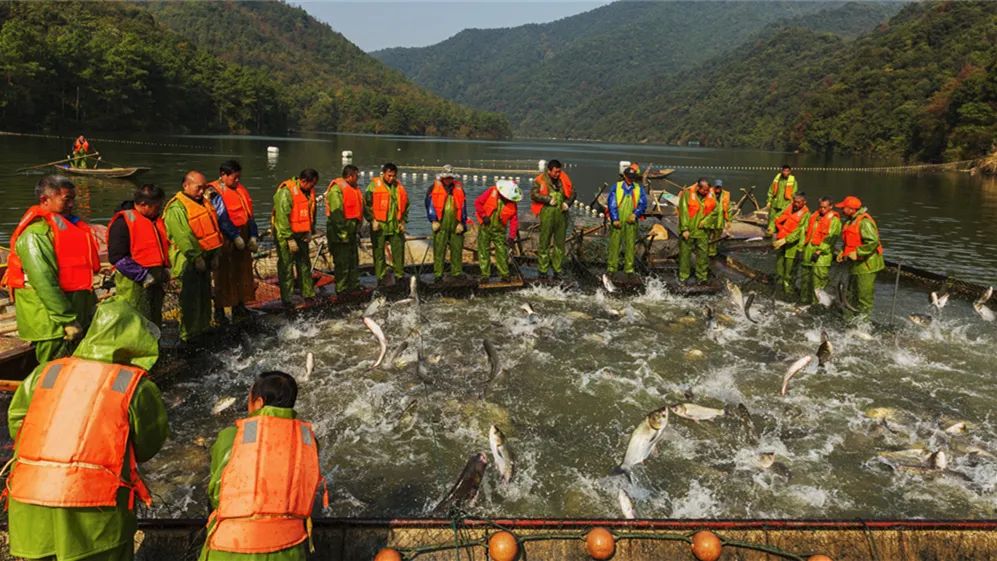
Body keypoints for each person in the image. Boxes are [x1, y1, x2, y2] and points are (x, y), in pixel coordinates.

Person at [5, 300, 169, 561]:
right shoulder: (133, 384)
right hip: (93, 508)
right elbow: (148, 443)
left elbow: (17, 423)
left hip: (30, 496)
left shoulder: (47, 371)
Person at [199, 371, 326, 561]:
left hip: (230, 548)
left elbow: (217, 494)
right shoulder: (309, 440)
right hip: (290, 548)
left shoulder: (232, 436)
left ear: (258, 403)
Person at [2, 175, 98, 363]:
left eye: (73, 199)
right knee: (52, 370)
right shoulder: (35, 235)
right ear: (45, 200)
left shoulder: (65, 229)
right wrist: (67, 320)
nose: (72, 205)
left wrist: (90, 305)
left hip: (73, 312)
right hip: (50, 321)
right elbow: (44, 281)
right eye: (66, 199)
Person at [164, 170, 223, 341]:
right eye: (198, 188)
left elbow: (214, 230)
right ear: (186, 185)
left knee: (204, 296)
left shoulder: (204, 203)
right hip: (188, 260)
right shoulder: (177, 208)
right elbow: (183, 237)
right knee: (190, 299)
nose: (202, 191)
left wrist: (216, 254)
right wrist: (195, 257)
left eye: (204, 188)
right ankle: (188, 334)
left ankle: (203, 327)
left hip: (206, 257)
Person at [107, 184, 170, 326]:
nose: (159, 210)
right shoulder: (123, 223)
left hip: (155, 277)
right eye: (157, 206)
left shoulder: (154, 220)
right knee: (135, 319)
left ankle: (154, 339)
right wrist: (143, 276)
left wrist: (164, 269)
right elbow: (117, 257)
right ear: (143, 205)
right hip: (133, 282)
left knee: (153, 316)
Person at [207, 160, 258, 324]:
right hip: (225, 237)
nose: (237, 180)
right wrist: (234, 236)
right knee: (224, 274)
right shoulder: (213, 192)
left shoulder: (240, 189)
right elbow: (221, 217)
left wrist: (253, 235)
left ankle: (239, 306)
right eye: (234, 177)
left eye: (239, 177)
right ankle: (220, 311)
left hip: (243, 233)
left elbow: (249, 213)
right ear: (223, 175)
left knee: (242, 271)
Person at [273, 169, 319, 307]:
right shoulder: (286, 192)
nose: (313, 187)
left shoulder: (309, 192)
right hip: (285, 234)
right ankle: (287, 299)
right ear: (303, 181)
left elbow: (310, 213)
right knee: (286, 266)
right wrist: (289, 238)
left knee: (304, 263)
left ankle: (308, 294)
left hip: (302, 234)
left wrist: (309, 231)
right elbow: (282, 217)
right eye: (311, 184)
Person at [835, 196, 884, 322]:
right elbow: (849, 242)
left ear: (851, 209)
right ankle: (851, 321)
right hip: (855, 265)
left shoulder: (864, 222)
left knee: (864, 296)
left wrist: (857, 252)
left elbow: (873, 242)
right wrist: (842, 252)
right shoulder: (849, 221)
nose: (841, 210)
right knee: (851, 294)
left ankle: (863, 324)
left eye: (844, 208)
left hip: (866, 266)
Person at [364, 163, 409, 285]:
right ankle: (381, 276)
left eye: (394, 176)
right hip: (379, 225)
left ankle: (399, 275)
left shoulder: (399, 186)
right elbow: (366, 205)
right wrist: (372, 220)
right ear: (383, 173)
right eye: (389, 175)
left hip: (395, 225)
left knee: (398, 252)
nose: (391, 178)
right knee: (378, 253)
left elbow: (406, 204)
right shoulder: (373, 186)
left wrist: (403, 220)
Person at [530, 159, 575, 279]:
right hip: (547, 213)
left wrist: (567, 203)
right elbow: (533, 194)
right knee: (544, 242)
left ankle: (557, 269)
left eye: (559, 171)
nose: (557, 174)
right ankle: (543, 270)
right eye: (555, 172)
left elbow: (573, 193)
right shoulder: (539, 180)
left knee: (560, 244)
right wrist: (548, 199)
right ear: (549, 171)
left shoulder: (564, 178)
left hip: (562, 215)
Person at [324, 164, 364, 295]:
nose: (358, 178)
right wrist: (342, 233)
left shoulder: (354, 189)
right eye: (357, 176)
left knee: (353, 261)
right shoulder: (336, 190)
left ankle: (353, 286)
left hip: (352, 232)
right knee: (342, 262)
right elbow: (337, 215)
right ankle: (341, 289)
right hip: (340, 234)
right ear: (350, 176)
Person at [425, 165, 468, 281]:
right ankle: (438, 274)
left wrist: (462, 223)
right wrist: (433, 220)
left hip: (456, 224)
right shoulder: (432, 188)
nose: (448, 179)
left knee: (457, 249)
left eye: (450, 177)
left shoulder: (459, 189)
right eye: (446, 177)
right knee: (439, 250)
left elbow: (463, 207)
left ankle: (457, 272)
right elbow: (429, 205)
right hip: (440, 224)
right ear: (442, 177)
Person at [475, 179, 521, 281]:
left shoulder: (512, 202)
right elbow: (478, 203)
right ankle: (485, 275)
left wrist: (511, 237)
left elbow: (514, 221)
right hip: (485, 227)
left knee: (502, 252)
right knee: (483, 251)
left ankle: (505, 275)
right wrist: (483, 216)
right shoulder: (491, 191)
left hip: (500, 230)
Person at [799, 197, 841, 304]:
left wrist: (819, 251)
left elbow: (830, 239)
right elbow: (805, 232)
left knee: (818, 282)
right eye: (820, 207)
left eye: (825, 207)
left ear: (830, 207)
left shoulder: (834, 221)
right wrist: (802, 247)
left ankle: (817, 304)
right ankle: (804, 302)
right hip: (808, 252)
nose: (822, 209)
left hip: (822, 257)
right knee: (805, 280)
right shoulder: (814, 216)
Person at [606, 168, 648, 275]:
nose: (630, 179)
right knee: (614, 244)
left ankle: (629, 269)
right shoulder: (617, 187)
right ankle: (612, 268)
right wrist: (615, 218)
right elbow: (612, 203)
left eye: (632, 177)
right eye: (629, 177)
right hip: (618, 220)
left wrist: (635, 214)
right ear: (624, 176)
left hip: (631, 220)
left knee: (630, 245)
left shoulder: (638, 188)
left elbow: (643, 204)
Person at [677, 178, 716, 284]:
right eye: (704, 190)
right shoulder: (687, 194)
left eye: (707, 190)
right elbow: (683, 212)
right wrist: (684, 229)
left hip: (703, 231)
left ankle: (702, 277)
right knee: (685, 255)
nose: (706, 192)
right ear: (698, 187)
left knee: (703, 255)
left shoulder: (711, 195)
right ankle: (684, 276)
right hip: (689, 230)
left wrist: (706, 221)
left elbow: (716, 211)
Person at [772, 193, 810, 295]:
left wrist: (786, 239)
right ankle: (778, 286)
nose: (796, 204)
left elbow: (800, 231)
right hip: (781, 240)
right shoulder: (789, 207)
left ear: (804, 202)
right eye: (795, 202)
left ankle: (788, 290)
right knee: (779, 265)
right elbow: (777, 217)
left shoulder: (806, 214)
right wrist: (774, 230)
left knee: (790, 270)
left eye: (799, 202)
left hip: (793, 245)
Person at [703, 179, 731, 257]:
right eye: (716, 187)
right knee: (707, 236)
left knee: (717, 237)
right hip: (709, 219)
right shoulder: (708, 193)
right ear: (714, 187)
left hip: (719, 220)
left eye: (719, 187)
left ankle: (712, 252)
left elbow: (728, 209)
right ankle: (705, 251)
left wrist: (728, 220)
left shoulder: (725, 195)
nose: (718, 189)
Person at [766, 165, 797, 235]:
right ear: (781, 171)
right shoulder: (777, 179)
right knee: (771, 216)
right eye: (784, 171)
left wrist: (793, 202)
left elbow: (794, 193)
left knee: (778, 216)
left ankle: (771, 230)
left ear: (790, 171)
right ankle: (771, 229)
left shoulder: (793, 181)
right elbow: (771, 190)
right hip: (775, 202)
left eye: (787, 171)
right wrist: (769, 201)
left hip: (785, 203)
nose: (785, 172)